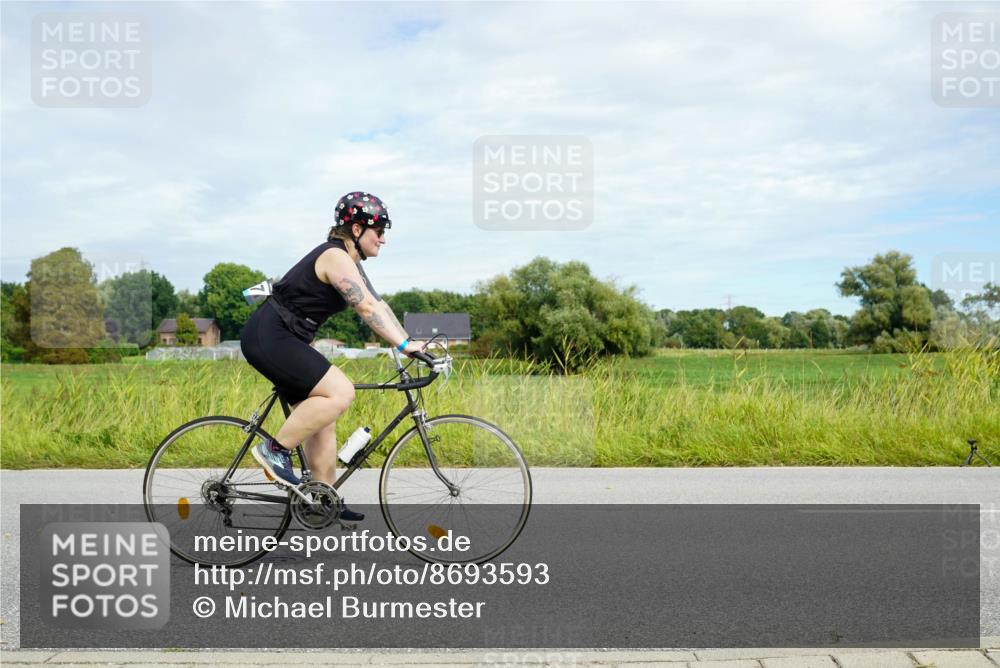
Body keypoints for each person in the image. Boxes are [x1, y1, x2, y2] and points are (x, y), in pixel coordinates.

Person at [239, 192, 424, 521]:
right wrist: (402, 346)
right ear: (356, 230)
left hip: (289, 338)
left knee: (324, 419)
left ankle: (322, 500)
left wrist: (411, 342)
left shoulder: (352, 265)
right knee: (341, 392)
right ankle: (274, 451)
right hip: (271, 335)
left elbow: (379, 305)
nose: (383, 239)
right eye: (379, 230)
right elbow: (365, 308)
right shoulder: (334, 256)